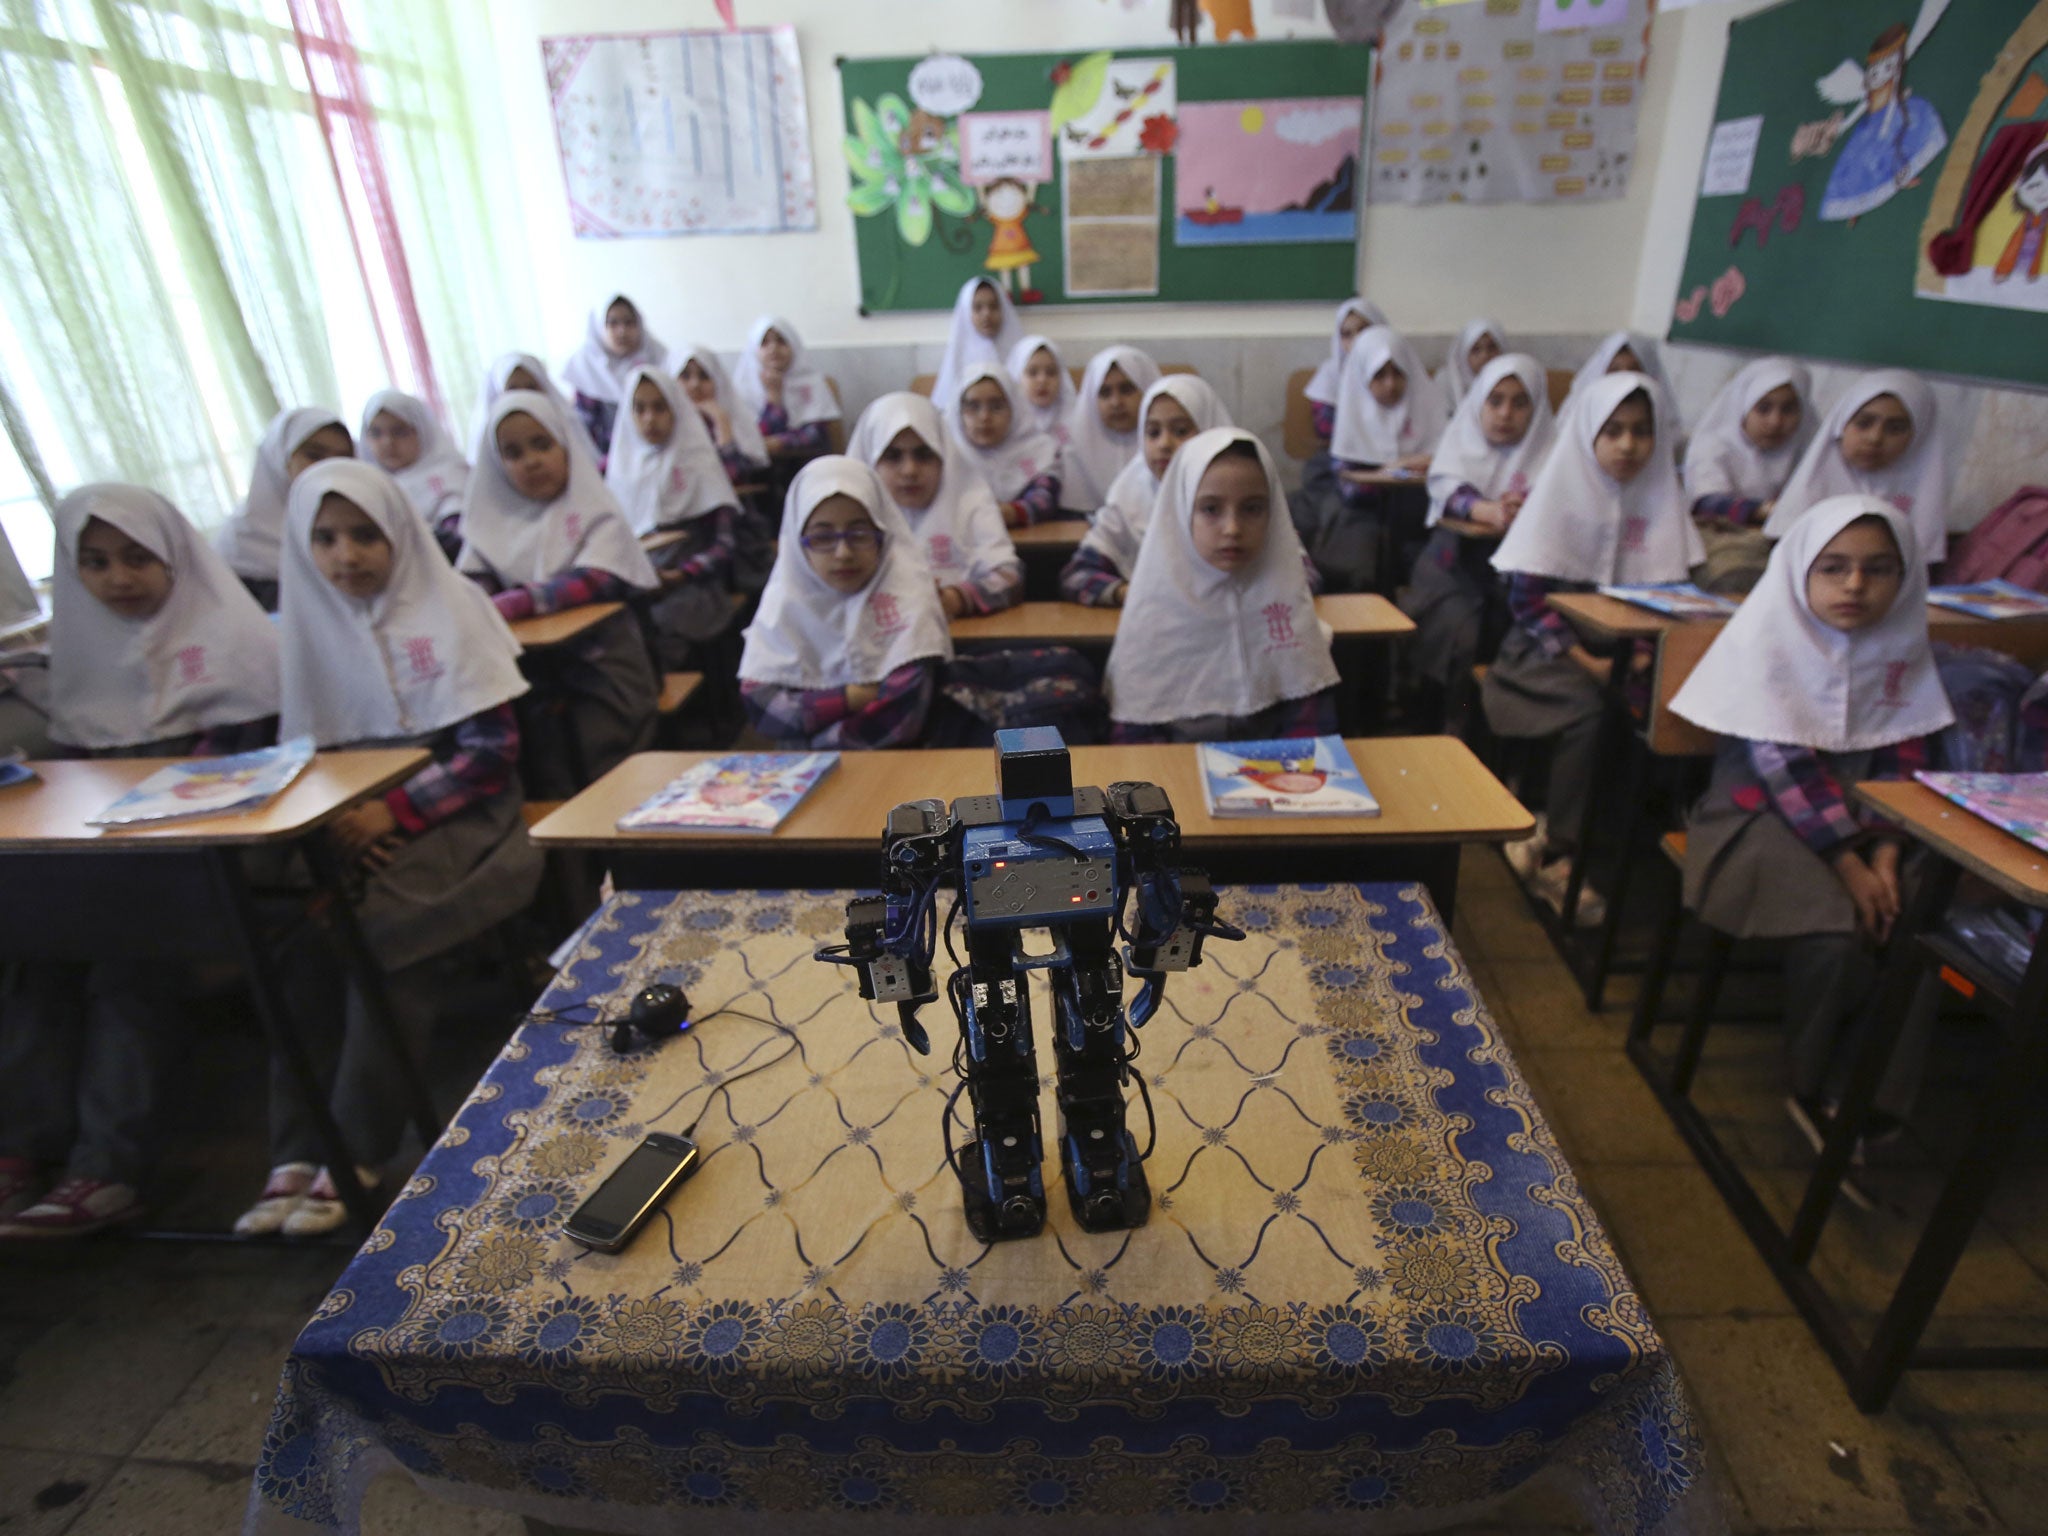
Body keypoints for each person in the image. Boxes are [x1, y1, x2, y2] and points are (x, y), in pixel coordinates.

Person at [239, 460, 540, 1236]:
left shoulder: (453, 603)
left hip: (461, 816)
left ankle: (354, 1149)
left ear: (399, 533)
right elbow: (303, 752)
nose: (348, 556)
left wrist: (395, 810)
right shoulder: (307, 623)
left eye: (366, 534)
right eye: (327, 539)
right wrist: (346, 822)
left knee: (384, 928)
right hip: (344, 819)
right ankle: (295, 1151)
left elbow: (489, 753)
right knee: (290, 935)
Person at [1, 484, 279, 1236]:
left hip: (222, 869)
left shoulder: (234, 643)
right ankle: (23, 1150)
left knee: (128, 965)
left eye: (136, 558)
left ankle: (108, 1168)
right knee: (37, 959)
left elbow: (244, 775)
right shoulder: (81, 660)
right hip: (118, 872)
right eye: (93, 563)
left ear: (175, 558)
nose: (117, 578)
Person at [1672, 496, 1952, 1154]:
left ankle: (1867, 1094)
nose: (1855, 585)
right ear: (1800, 572)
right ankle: (1807, 1080)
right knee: (1837, 930)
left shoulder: (1900, 644)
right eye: (1834, 568)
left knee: (1921, 925)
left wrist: (1886, 855)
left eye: (1879, 569)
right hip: (1760, 818)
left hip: (1871, 822)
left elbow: (1906, 756)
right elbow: (1785, 770)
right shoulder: (1769, 639)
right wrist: (1854, 865)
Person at [1483, 374, 1700, 921]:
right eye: (1614, 431)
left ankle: (1626, 846)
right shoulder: (1558, 495)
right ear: (1588, 436)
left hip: (1631, 656)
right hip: (1545, 656)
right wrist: (1593, 663)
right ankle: (1564, 849)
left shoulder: (1661, 499)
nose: (1629, 446)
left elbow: (1675, 596)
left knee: (1664, 718)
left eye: (1642, 432)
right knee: (1595, 715)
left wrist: (1647, 656)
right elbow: (1530, 605)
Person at [460, 392, 661, 796]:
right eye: (513, 453)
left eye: (542, 444)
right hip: (528, 675)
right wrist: (483, 603)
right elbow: (470, 586)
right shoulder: (488, 523)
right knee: (544, 773)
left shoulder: (594, 509)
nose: (532, 460)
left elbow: (593, 579)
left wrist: (514, 603)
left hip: (602, 666)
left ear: (565, 445)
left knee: (611, 774)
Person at [1104, 429, 1339, 743]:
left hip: (1276, 778)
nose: (1232, 529)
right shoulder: (1153, 614)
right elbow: (1134, 740)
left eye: (1252, 509)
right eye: (1211, 509)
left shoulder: (1284, 601)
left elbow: (1310, 725)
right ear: (1183, 512)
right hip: (1174, 777)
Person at [738, 456, 954, 749]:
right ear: (797, 542)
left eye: (859, 533)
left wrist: (811, 736)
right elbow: (763, 710)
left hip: (899, 765)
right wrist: (851, 697)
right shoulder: (784, 604)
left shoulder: (910, 602)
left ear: (883, 537)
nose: (843, 553)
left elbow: (901, 720)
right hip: (808, 772)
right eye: (823, 537)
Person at [1402, 353, 1557, 730]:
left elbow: (1559, 499)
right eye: (1495, 400)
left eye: (1520, 403)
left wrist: (1528, 507)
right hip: (1453, 572)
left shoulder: (1553, 455)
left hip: (1524, 580)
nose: (1505, 414)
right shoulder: (1460, 442)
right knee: (1462, 633)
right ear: (1478, 403)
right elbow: (1450, 487)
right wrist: (1484, 509)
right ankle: (1442, 728)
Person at [605, 366, 742, 671]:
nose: (649, 418)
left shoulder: (698, 460)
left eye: (659, 407)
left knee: (661, 626)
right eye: (639, 409)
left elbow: (725, 545)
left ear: (676, 409)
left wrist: (683, 574)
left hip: (693, 584)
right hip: (641, 581)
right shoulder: (621, 469)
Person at [1061, 375, 1237, 607]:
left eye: (1181, 430)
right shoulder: (1131, 494)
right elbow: (1076, 575)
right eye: (1153, 433)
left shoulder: (1240, 493)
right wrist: (1126, 593)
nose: (1164, 444)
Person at [851, 392, 1022, 618]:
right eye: (893, 456)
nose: (910, 470)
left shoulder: (969, 502)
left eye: (924, 455)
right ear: (870, 463)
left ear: (944, 458)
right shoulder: (849, 517)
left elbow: (1009, 576)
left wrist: (956, 599)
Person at [1764, 369, 1950, 567]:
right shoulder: (1811, 488)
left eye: (1895, 428)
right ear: (1841, 426)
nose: (1875, 438)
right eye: (1864, 424)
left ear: (1918, 439)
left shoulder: (1923, 503)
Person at [1318, 325, 1449, 592]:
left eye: (1398, 373)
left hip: (1418, 520)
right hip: (1363, 520)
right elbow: (1349, 488)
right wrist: (1388, 472)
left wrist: (1431, 465)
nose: (1390, 384)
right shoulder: (1353, 413)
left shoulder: (1428, 408)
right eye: (1379, 375)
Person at [1680, 358, 1813, 595]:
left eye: (1789, 409)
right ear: (1743, 406)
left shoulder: (1809, 449)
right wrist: (1759, 510)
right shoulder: (1715, 445)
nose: (1775, 421)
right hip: (1725, 547)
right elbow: (1705, 503)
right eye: (1763, 408)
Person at [214, 407, 353, 608]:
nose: (328, 467)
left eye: (342, 458)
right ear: (280, 458)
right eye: (314, 456)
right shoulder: (242, 540)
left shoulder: (361, 519)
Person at [358, 389, 471, 561]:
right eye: (376, 433)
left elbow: (458, 538)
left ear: (422, 431)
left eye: (399, 431)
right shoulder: (364, 485)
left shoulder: (451, 475)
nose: (388, 442)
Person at [946, 362, 1062, 527]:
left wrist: (1012, 513)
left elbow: (1044, 500)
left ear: (1014, 409)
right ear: (959, 412)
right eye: (973, 406)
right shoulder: (946, 454)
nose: (985, 417)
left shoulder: (1040, 450)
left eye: (996, 407)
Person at [733, 316, 841, 482]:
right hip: (761, 473)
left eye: (781, 341)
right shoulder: (744, 388)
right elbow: (751, 436)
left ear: (794, 345)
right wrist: (773, 397)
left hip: (807, 466)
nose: (773, 348)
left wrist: (779, 442)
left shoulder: (812, 382)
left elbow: (816, 435)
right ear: (755, 350)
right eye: (765, 343)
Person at [560, 295, 668, 459]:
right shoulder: (586, 370)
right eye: (613, 323)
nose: (622, 331)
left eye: (629, 322)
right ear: (599, 327)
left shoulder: (658, 360)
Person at [1060, 346, 1163, 513]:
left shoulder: (1168, 447)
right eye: (1105, 393)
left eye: (1126, 390)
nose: (1116, 402)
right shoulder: (1076, 452)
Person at [469, 352, 602, 467]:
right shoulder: (489, 445)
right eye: (513, 390)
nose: (524, 396)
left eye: (531, 388)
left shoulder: (567, 425)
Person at [678, 344, 770, 486]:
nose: (695, 384)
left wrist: (722, 423)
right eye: (685, 376)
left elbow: (734, 474)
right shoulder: (666, 426)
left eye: (704, 376)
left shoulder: (731, 419)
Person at [932, 277, 1023, 419]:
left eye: (993, 306)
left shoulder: (1021, 353)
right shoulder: (957, 356)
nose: (986, 314)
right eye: (978, 308)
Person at [1564, 331, 1682, 433]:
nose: (1623, 379)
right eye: (1615, 371)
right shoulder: (1574, 422)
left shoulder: (1666, 426)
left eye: (1633, 371)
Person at [1005, 334, 1077, 449]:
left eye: (1051, 372)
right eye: (1032, 373)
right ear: (1017, 378)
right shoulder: (1006, 427)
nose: (1042, 380)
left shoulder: (1077, 423)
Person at [1433, 317, 1509, 416]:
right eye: (1476, 350)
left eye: (1492, 348)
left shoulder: (1510, 383)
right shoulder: (1446, 381)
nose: (1485, 356)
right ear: (1463, 354)